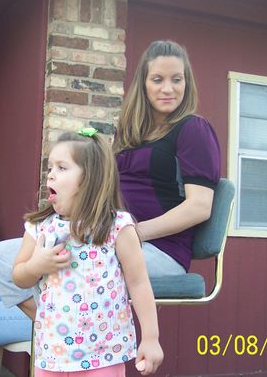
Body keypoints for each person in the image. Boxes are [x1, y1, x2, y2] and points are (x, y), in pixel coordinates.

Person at [0, 39, 220, 376]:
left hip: (155, 249)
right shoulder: (131, 136)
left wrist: (132, 233)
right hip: (96, 244)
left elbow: (199, 207)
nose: (168, 88)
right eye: (157, 79)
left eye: (177, 79)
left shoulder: (193, 129)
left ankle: (49, 324)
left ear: (187, 83)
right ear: (143, 84)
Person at [12, 130, 164, 376]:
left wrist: (151, 338)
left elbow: (138, 283)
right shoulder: (40, 227)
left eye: (62, 168)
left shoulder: (117, 227)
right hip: (52, 354)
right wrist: (35, 266)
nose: (50, 174)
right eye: (50, 167)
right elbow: (19, 276)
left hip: (103, 355)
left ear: (90, 179)